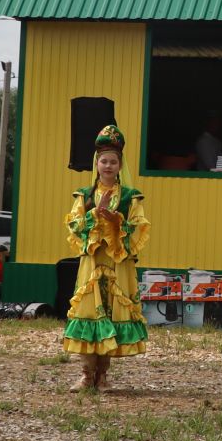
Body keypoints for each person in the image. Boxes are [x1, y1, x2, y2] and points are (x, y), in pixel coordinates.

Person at [63, 124, 150, 392]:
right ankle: (86, 374)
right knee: (88, 312)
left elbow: (140, 226)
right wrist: (93, 216)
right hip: (92, 262)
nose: (108, 166)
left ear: (120, 164)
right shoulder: (85, 195)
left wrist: (117, 221)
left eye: (113, 161)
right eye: (104, 161)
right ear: (96, 163)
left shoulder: (129, 197)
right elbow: (74, 225)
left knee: (111, 313)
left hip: (117, 263)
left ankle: (102, 376)